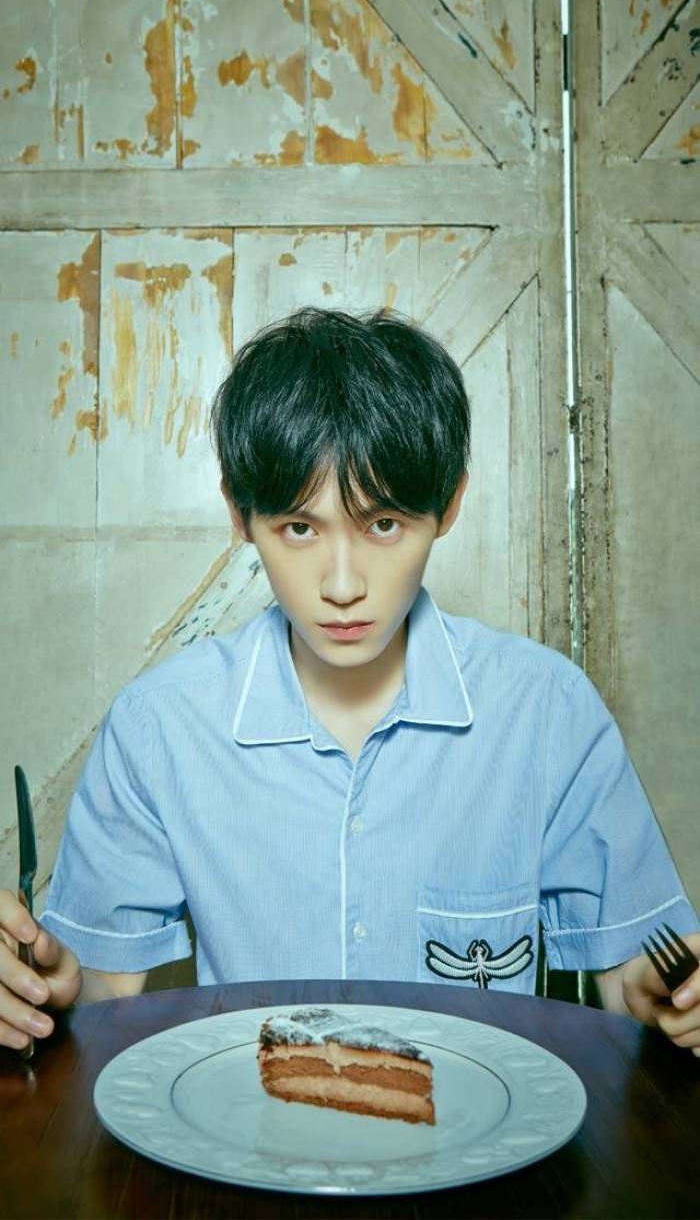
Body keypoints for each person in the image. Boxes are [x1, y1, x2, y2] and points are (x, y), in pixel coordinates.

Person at [1, 307, 699, 1055]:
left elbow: (632, 974)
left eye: (383, 525)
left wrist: (665, 997)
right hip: (249, 1121)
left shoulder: (548, 711)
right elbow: (97, 986)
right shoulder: (159, 726)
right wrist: (43, 989)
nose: (342, 586)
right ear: (240, 514)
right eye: (300, 529)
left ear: (450, 505)